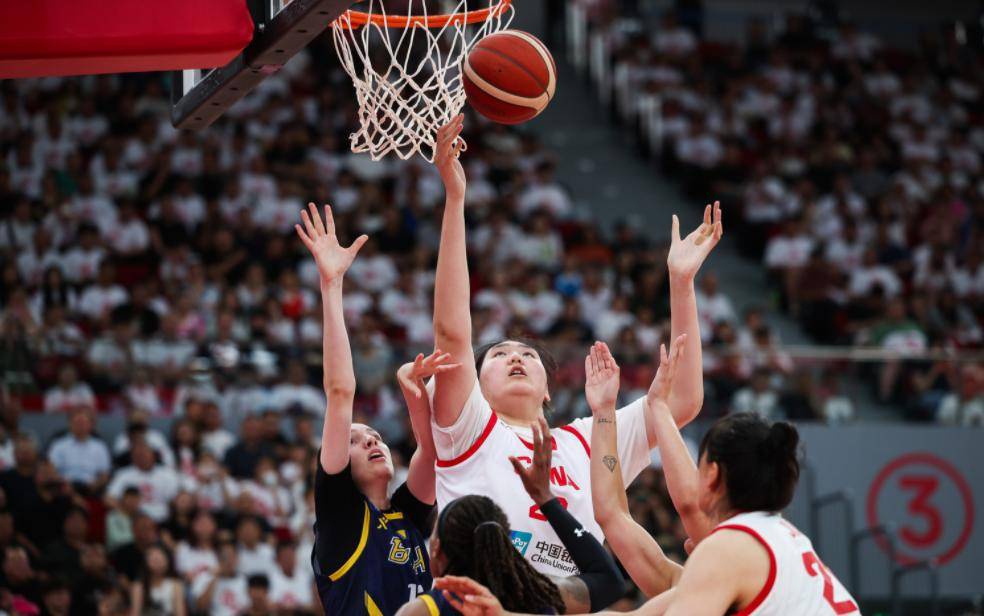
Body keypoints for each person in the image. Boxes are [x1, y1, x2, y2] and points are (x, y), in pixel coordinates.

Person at [428, 115, 723, 575]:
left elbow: (681, 401)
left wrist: (681, 285)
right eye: (500, 355)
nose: (516, 358)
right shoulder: (467, 427)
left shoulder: (588, 441)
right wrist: (455, 198)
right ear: (475, 387)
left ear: (549, 389)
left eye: (527, 354)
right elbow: (452, 335)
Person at [440, 347, 860, 616]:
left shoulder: (729, 551)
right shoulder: (777, 540)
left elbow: (682, 509)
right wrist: (625, 408)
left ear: (711, 474)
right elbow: (612, 516)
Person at [295, 203, 453, 613]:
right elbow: (340, 393)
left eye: (376, 436)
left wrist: (414, 394)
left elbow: (433, 450)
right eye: (356, 440)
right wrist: (332, 285)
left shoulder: (408, 515)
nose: (371, 441)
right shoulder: (340, 518)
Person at [398, 418, 624, 615]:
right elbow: (609, 580)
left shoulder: (426, 610)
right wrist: (546, 499)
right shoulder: (537, 595)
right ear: (503, 542)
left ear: (435, 550)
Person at [129, 544, 187, 616]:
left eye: (160, 559)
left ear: (167, 560)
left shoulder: (176, 585)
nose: (158, 564)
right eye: (154, 560)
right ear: (146, 563)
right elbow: (135, 613)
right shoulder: (139, 586)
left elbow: (180, 613)